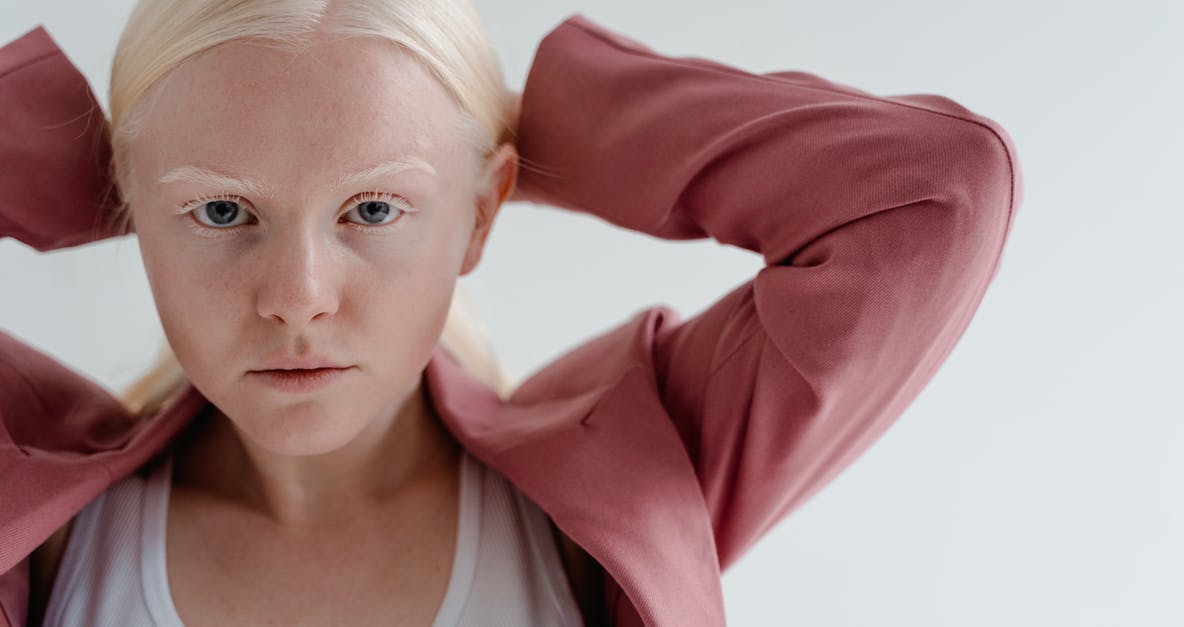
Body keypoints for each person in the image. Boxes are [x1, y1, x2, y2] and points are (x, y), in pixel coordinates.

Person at [0, 2, 1024, 626]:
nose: (297, 298)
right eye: (221, 209)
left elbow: (937, 189)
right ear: (134, 207)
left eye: (374, 207)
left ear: (481, 211)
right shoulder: (45, 528)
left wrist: (547, 131)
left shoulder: (627, 481)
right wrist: (69, 157)